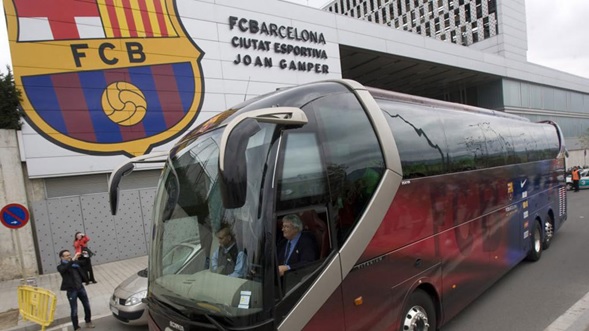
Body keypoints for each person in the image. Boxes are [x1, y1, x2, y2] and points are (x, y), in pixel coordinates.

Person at [57, 249, 95, 330]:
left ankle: (88, 321)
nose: (69, 256)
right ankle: (76, 327)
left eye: (69, 255)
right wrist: (73, 259)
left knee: (87, 306)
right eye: (67, 256)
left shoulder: (75, 263)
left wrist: (86, 256)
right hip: (71, 290)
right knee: (74, 309)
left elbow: (86, 263)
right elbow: (65, 269)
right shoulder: (60, 267)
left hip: (80, 288)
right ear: (61, 257)